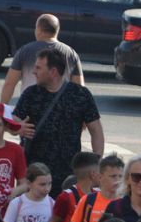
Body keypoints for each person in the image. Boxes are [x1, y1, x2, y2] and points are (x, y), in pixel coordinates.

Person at [14, 46, 104, 188]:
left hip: (68, 174)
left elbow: (96, 130)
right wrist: (19, 127)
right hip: (36, 173)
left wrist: (96, 164)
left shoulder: (80, 94)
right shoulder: (31, 93)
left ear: (53, 72)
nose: (34, 71)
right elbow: (14, 119)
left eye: (38, 68)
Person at [1, 15, 85, 104]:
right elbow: (79, 88)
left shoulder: (24, 51)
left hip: (30, 107)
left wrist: (2, 107)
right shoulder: (71, 54)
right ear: (57, 31)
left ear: (39, 30)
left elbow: (9, 84)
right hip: (60, 109)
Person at [67, 154, 125, 222]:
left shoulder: (124, 203)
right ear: (100, 177)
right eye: (113, 176)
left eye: (120, 176)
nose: (117, 181)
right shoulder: (88, 200)